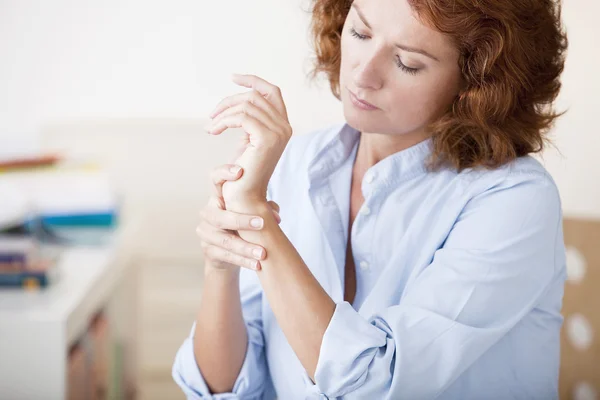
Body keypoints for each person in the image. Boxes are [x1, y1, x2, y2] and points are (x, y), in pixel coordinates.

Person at [173, 0, 568, 398]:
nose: (363, 74)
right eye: (360, 33)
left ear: (475, 83)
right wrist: (220, 265)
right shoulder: (294, 164)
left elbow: (375, 386)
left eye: (407, 63)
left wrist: (259, 222)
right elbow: (224, 390)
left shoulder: (515, 201)